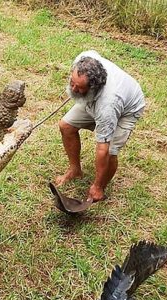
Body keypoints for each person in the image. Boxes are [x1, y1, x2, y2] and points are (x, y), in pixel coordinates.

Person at [55, 50, 145, 202]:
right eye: (72, 83)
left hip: (127, 109)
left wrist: (97, 185)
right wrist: (77, 85)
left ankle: (100, 188)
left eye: (79, 88)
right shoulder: (83, 59)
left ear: (93, 88)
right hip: (96, 100)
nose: (74, 90)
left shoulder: (108, 106)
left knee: (110, 151)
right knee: (66, 126)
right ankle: (75, 170)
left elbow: (103, 149)